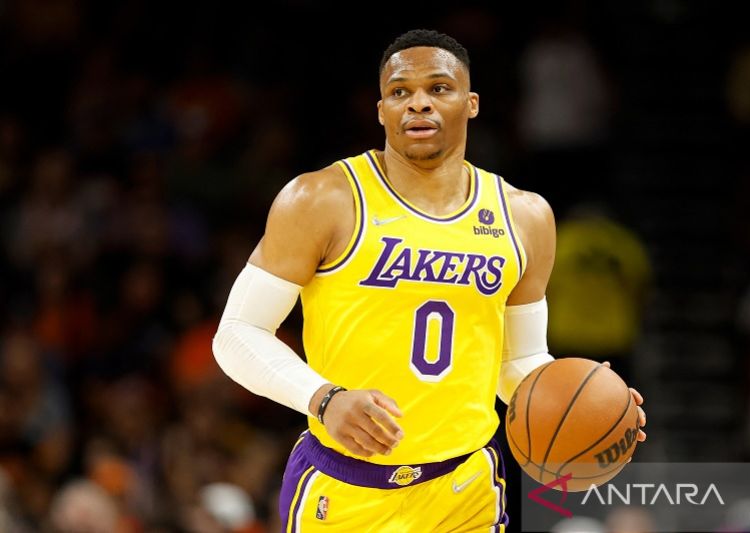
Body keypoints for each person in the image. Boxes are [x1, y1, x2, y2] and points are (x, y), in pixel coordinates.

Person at [212, 29, 646, 532]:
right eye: (401, 91)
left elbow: (519, 360)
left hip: (465, 490)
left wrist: (588, 404)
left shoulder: (525, 216)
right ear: (382, 111)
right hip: (345, 487)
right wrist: (324, 398)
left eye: (439, 88)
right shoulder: (321, 199)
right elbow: (237, 334)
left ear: (471, 103)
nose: (418, 103)